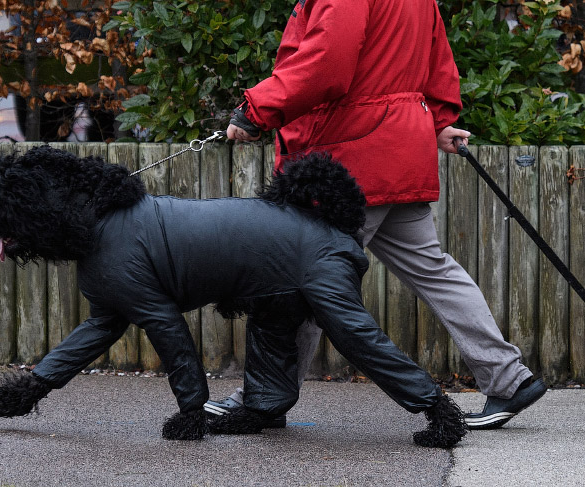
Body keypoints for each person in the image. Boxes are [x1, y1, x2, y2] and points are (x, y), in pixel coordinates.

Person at [206, 0, 546, 430]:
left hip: (352, 157)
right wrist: (439, 120)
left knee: (299, 276)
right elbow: (436, 57)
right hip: (400, 145)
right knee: (434, 269)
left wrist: (257, 110)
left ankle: (264, 396)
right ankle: (509, 378)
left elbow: (327, 64)